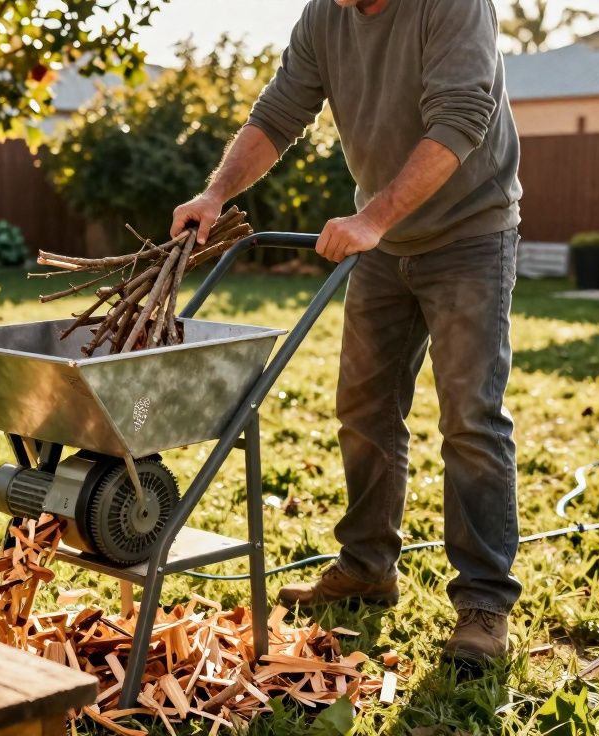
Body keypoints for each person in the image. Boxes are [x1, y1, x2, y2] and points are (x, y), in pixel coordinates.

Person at [169, 0, 523, 662]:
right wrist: (215, 194)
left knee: (471, 418)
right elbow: (278, 115)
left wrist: (375, 218)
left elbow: (463, 117)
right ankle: (367, 565)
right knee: (364, 408)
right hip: (383, 244)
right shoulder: (324, 17)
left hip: (471, 234)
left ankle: (483, 603)